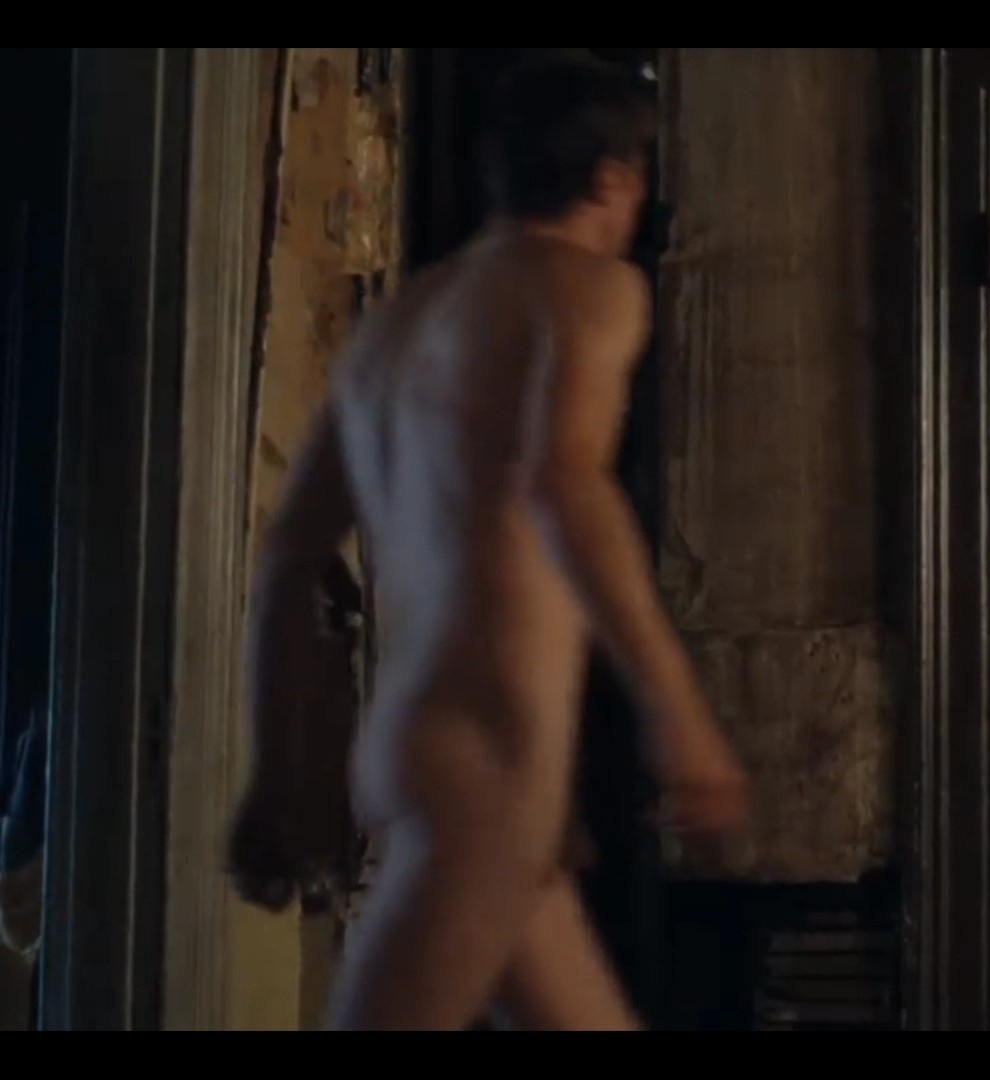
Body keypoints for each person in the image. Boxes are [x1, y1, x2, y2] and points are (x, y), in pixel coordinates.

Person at [227, 51, 750, 1031]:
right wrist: (677, 710)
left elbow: (292, 553)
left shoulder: (394, 329)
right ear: (612, 179)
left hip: (427, 750)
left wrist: (277, 773)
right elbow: (566, 484)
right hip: (489, 762)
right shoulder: (586, 289)